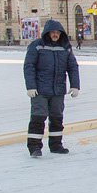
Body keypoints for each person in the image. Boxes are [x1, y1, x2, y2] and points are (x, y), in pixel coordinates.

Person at [23, 20, 80, 157]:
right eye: (53, 32)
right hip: (40, 90)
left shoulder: (65, 47)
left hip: (58, 90)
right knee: (38, 118)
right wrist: (30, 86)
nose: (55, 35)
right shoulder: (37, 46)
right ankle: (34, 147)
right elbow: (29, 66)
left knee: (56, 118)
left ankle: (56, 145)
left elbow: (72, 67)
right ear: (47, 33)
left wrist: (75, 85)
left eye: (58, 33)